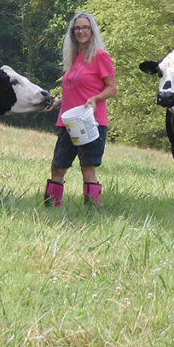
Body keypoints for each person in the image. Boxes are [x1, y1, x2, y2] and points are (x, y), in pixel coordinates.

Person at [43, 12, 117, 208]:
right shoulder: (74, 58)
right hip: (68, 122)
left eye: (85, 27)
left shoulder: (100, 56)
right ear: (72, 32)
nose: (81, 31)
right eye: (77, 28)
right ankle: (51, 210)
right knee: (57, 167)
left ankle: (91, 213)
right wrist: (59, 100)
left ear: (92, 31)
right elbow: (76, 88)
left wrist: (96, 98)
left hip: (90, 121)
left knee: (88, 168)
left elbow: (112, 88)